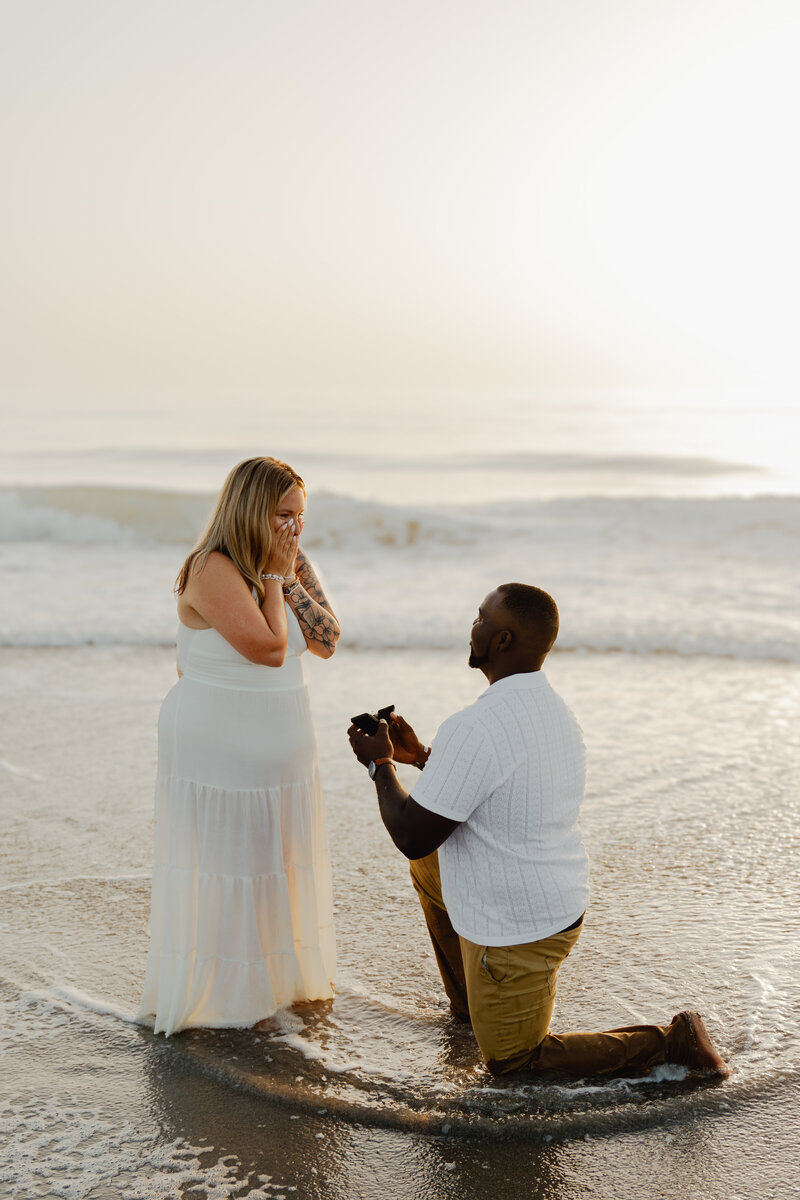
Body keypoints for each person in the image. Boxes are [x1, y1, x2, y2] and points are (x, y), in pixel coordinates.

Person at [347, 583, 729, 1079]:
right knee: (430, 866)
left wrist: (380, 765)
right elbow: (502, 788)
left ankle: (674, 1044)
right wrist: (419, 759)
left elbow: (410, 835)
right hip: (554, 895)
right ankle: (472, 1005)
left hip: (516, 926)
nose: (473, 626)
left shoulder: (476, 725)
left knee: (514, 1063)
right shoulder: (555, 712)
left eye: (480, 619)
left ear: (502, 640)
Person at [138, 456, 339, 1036]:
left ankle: (276, 990)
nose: (295, 528)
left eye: (300, 515)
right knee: (231, 871)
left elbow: (325, 640)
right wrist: (276, 578)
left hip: (282, 738)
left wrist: (287, 570)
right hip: (222, 739)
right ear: (251, 509)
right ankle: (229, 1005)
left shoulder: (291, 561)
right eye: (283, 514)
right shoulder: (211, 567)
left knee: (279, 867)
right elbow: (270, 649)